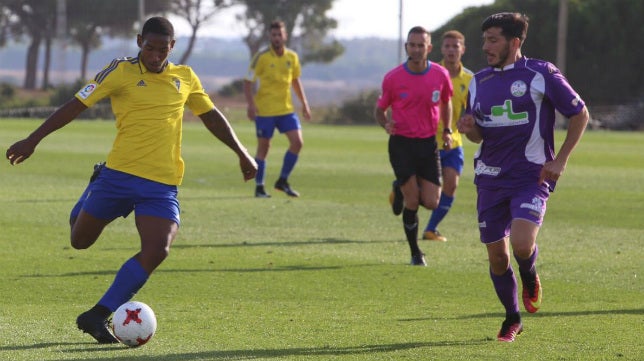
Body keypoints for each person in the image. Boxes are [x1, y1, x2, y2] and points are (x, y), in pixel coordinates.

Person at [5, 16, 257, 344]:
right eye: (149, 48)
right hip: (117, 177)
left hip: (161, 184)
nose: (154, 56)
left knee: (158, 249)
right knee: (80, 241)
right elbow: (75, 105)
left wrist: (242, 152)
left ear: (172, 47)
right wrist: (32, 139)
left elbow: (210, 115)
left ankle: (98, 314)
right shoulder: (119, 71)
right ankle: (91, 188)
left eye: (161, 50)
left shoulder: (185, 77)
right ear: (139, 41)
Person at [457, 12, 589, 342]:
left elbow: (579, 113)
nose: (485, 46)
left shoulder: (541, 73)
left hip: (531, 175)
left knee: (520, 242)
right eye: (484, 39)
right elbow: (478, 135)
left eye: (493, 40)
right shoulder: (479, 82)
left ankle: (529, 273)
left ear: (514, 43)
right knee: (497, 257)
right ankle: (512, 317)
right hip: (489, 177)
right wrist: (471, 129)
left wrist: (560, 160)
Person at [376, 26, 453, 266]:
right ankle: (415, 253)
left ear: (429, 48)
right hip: (401, 144)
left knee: (431, 202)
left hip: (428, 144)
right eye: (412, 44)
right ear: (406, 47)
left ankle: (399, 188)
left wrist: (448, 130)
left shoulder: (440, 74)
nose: (416, 49)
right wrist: (386, 124)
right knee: (412, 202)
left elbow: (446, 102)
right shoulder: (393, 77)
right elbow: (380, 109)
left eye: (421, 45)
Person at [243, 20, 311, 198]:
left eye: (279, 34)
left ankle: (282, 181)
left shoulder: (292, 57)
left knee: (297, 143)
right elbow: (248, 81)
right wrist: (251, 105)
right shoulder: (262, 56)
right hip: (265, 111)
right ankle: (259, 187)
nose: (277, 38)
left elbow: (295, 81)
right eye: (274, 35)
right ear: (269, 37)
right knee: (263, 149)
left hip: (286, 110)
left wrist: (304, 103)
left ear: (285, 36)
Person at [422, 30, 474, 242]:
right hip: (426, 140)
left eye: (456, 46)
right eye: (448, 46)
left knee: (451, 185)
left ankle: (431, 229)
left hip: (453, 142)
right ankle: (399, 188)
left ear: (463, 49)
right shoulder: (430, 72)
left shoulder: (470, 79)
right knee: (421, 193)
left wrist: (467, 121)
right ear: (441, 49)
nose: (452, 50)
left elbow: (471, 109)